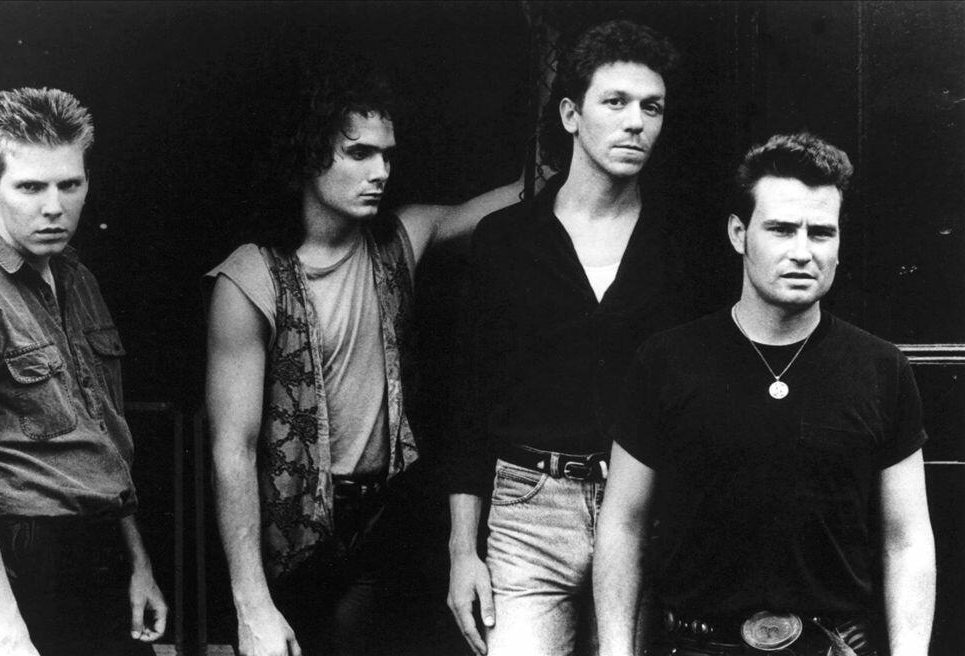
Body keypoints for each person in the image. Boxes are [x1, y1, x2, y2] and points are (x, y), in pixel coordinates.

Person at [204, 57, 525, 656]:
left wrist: (562, 142)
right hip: (296, 539)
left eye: (386, 155)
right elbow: (232, 450)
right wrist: (251, 603)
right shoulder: (250, 278)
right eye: (359, 153)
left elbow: (514, 200)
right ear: (309, 157)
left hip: (389, 523)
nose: (380, 171)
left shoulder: (399, 239)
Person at [593, 133, 936, 656]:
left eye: (821, 233)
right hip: (695, 646)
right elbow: (624, 524)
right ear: (739, 234)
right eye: (781, 229)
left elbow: (906, 538)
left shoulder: (881, 369)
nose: (802, 252)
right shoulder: (667, 362)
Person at [0, 87, 167, 656]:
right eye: (30, 187)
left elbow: (100, 442)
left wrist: (138, 564)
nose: (54, 206)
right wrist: (9, 633)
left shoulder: (78, 280)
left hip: (101, 555)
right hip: (25, 567)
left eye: (70, 184)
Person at [445, 19, 685, 656]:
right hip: (529, 507)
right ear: (571, 114)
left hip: (646, 508)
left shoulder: (683, 247)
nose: (636, 122)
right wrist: (462, 551)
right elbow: (468, 402)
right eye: (616, 102)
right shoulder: (505, 240)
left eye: (652, 107)